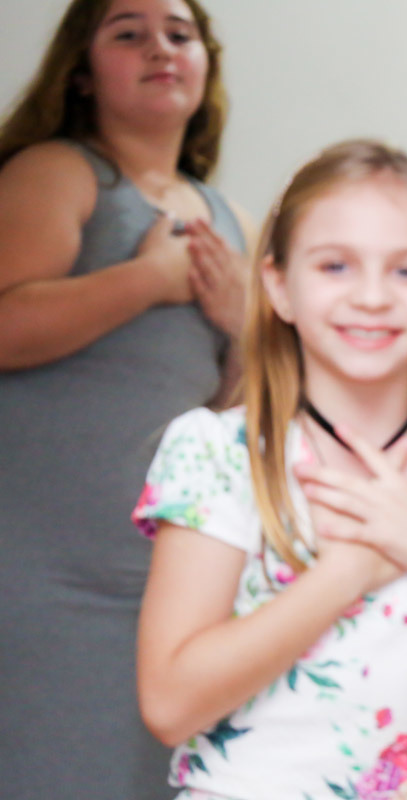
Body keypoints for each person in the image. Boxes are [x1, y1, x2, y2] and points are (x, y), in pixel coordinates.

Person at [131, 139, 407, 799]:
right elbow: (169, 704)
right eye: (335, 265)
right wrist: (351, 569)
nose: (372, 296)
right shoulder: (217, 453)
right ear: (278, 285)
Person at [0, 1, 250, 796]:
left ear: (206, 64)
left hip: (169, 585)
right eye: (128, 33)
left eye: (180, 33)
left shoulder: (231, 223)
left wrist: (246, 329)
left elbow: (235, 416)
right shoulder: (59, 172)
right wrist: (149, 279)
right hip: (36, 578)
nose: (160, 48)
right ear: (80, 72)